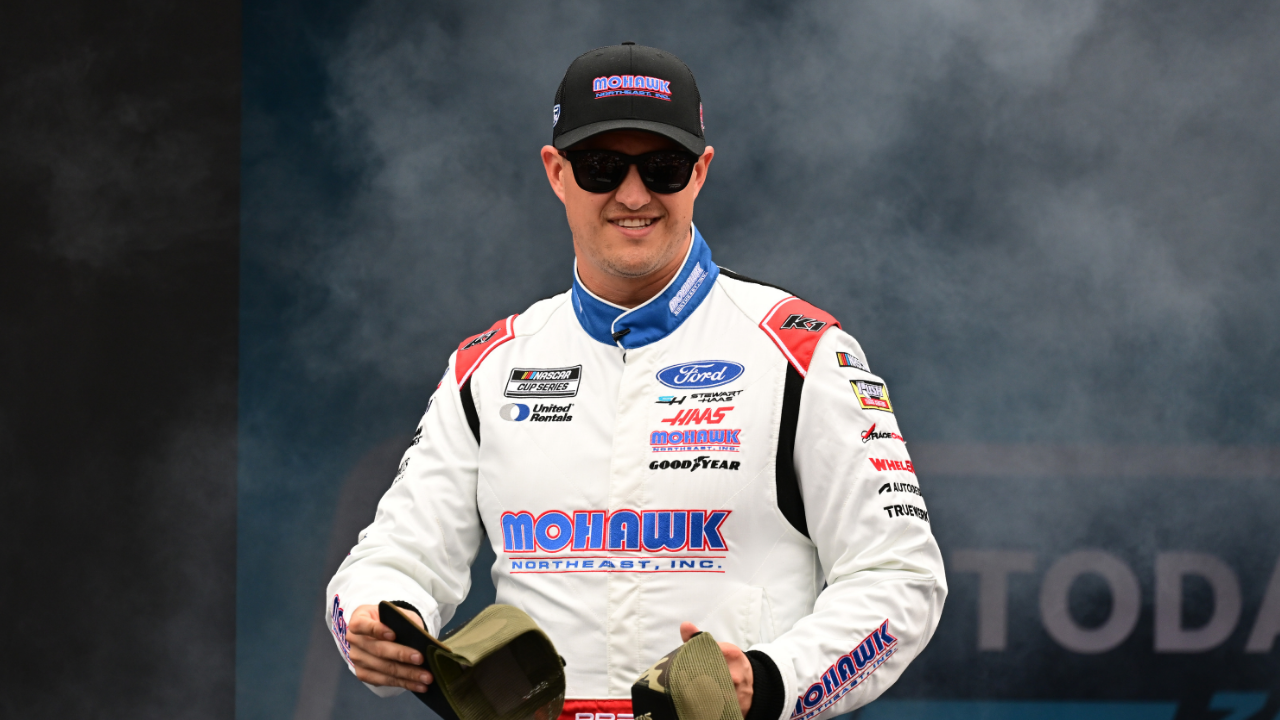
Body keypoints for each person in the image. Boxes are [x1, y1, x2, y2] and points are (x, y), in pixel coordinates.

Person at [326, 42, 946, 720]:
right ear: (555, 172)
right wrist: (377, 616)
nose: (632, 194)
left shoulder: (803, 353)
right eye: (600, 167)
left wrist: (771, 681)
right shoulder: (490, 366)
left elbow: (902, 580)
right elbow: (393, 559)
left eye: (663, 167)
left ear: (701, 173)